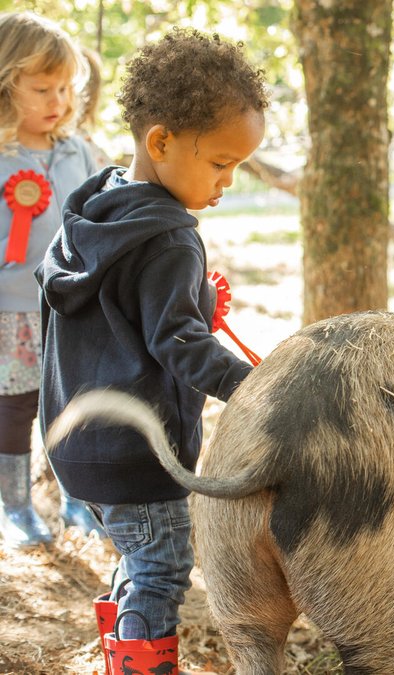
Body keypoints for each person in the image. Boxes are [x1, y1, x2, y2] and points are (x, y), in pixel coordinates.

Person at [36, 27, 267, 672]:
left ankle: (120, 652)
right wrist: (258, 385)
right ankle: (140, 664)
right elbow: (180, 344)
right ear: (161, 141)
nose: (227, 182)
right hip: (137, 451)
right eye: (219, 163)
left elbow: (125, 316)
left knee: (138, 559)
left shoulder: (96, 208)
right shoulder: (169, 239)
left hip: (77, 443)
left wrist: (194, 306)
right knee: (162, 566)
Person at [0, 11, 103, 548]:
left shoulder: (77, 151)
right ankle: (14, 507)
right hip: (10, 310)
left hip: (69, 308)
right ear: (5, 82)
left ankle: (77, 502)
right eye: (41, 88)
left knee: (72, 403)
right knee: (15, 406)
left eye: (64, 87)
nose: (57, 100)